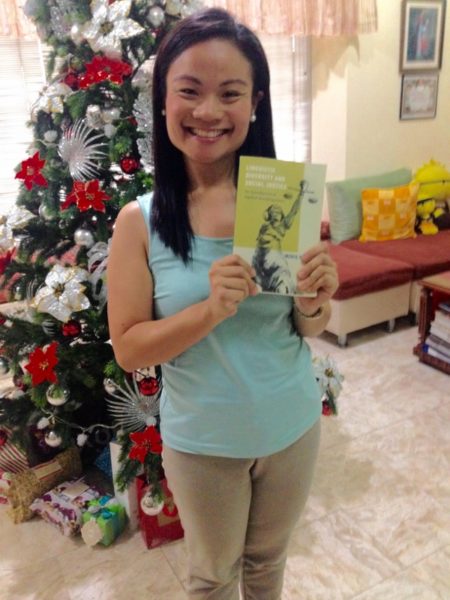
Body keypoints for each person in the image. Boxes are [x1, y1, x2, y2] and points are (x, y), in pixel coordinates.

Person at [107, 7, 338, 600]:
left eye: (230, 93)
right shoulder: (139, 222)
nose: (209, 111)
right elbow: (129, 349)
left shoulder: (281, 199)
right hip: (204, 443)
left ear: (255, 103)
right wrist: (209, 309)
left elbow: (305, 325)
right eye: (190, 91)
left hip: (292, 425)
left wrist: (316, 298)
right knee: (212, 578)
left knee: (268, 565)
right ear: (163, 100)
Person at [253, 180, 307, 294]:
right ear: (268, 214)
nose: (275, 212)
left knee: (282, 282)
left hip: (275, 260)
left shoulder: (283, 224)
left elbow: (294, 210)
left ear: (282, 215)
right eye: (273, 210)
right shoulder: (264, 226)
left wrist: (301, 193)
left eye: (278, 211)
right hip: (258, 260)